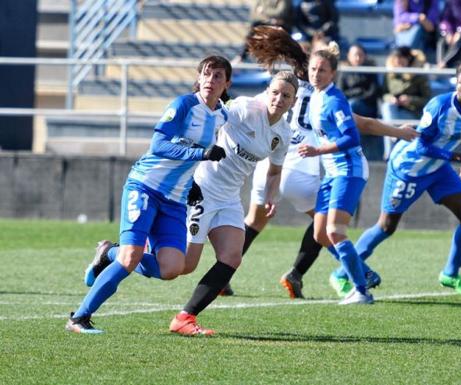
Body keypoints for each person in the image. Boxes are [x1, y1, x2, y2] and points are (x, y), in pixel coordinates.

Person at [240, 26, 418, 300]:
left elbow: (250, 109)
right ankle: (351, 273)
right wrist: (399, 131)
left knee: (255, 221)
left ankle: (222, 274)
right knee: (325, 227)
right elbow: (363, 125)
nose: (317, 71)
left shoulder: (278, 86)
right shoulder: (320, 96)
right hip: (301, 165)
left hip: (270, 162)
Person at [65, 55, 232, 334]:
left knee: (172, 268)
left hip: (175, 200)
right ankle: (79, 318)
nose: (210, 81)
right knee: (130, 258)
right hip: (145, 186)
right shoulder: (183, 105)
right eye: (206, 74)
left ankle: (109, 252)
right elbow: (158, 145)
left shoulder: (222, 115)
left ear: (227, 83)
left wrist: (190, 184)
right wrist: (200, 153)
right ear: (198, 77)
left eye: (217, 76)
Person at [341, 61, 461, 299]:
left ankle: (450, 274)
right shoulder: (439, 105)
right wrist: (458, 156)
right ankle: (341, 273)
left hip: (438, 168)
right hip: (409, 168)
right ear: (456, 83)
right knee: (386, 226)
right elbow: (421, 145)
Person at [168, 71, 297, 336]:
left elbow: (274, 171)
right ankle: (115, 253)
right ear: (267, 91)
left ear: (293, 101)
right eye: (275, 92)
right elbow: (211, 118)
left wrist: (272, 195)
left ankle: (185, 318)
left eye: (286, 95)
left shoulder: (283, 134)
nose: (278, 99)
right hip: (202, 188)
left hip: (229, 198)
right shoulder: (245, 107)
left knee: (231, 257)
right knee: (184, 266)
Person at [294, 45, 375, 305]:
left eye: (323, 70)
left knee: (335, 231)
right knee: (320, 234)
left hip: (348, 171)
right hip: (332, 172)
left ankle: (361, 290)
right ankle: (363, 272)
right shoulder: (316, 95)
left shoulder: (334, 100)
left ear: (333, 74)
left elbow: (351, 137)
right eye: (313, 69)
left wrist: (318, 150)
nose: (316, 74)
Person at [381, 47, 431, 159]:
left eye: (401, 58)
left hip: (412, 113)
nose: (398, 61)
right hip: (393, 112)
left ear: (408, 59)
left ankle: (392, 135)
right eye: (396, 58)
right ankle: (390, 147)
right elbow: (383, 94)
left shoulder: (419, 75)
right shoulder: (389, 74)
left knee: (387, 119)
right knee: (387, 107)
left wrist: (410, 100)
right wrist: (391, 98)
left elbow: (427, 99)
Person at [338, 43, 383, 160]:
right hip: (349, 107)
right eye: (355, 55)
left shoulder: (370, 70)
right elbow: (341, 93)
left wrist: (358, 96)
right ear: (348, 56)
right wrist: (358, 92)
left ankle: (350, 140)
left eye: (360, 55)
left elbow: (374, 92)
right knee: (350, 105)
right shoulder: (344, 71)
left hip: (367, 107)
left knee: (353, 104)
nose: (358, 58)